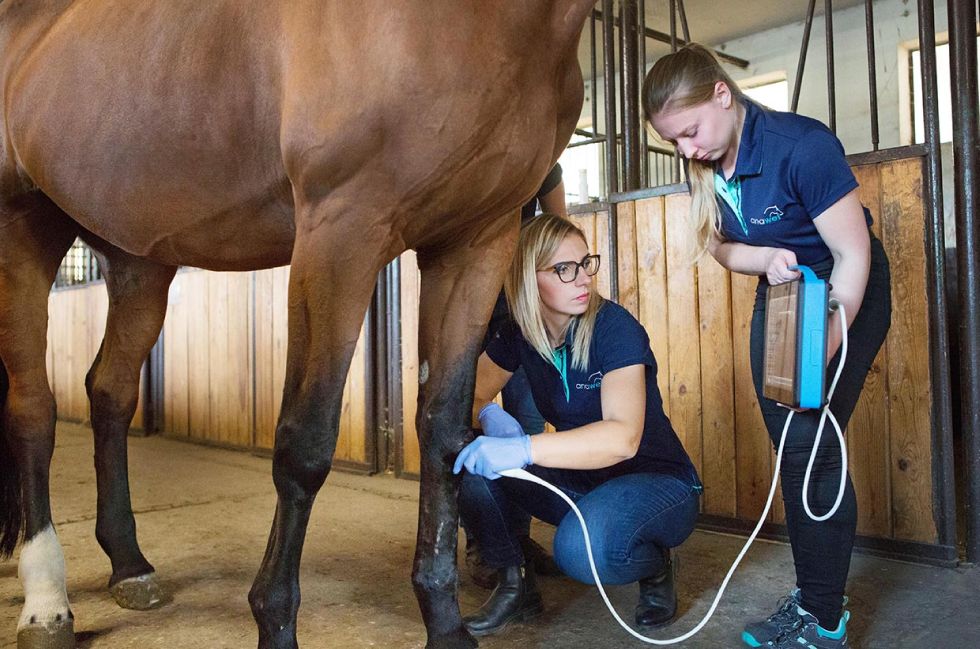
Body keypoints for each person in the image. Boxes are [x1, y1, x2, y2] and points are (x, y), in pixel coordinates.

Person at [643, 44, 891, 649]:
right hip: (782, 296)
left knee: (812, 444)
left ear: (723, 95)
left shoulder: (802, 147)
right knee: (792, 446)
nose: (687, 151)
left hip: (842, 290)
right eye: (673, 141)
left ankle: (824, 616)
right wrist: (762, 257)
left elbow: (853, 255)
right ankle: (812, 598)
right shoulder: (707, 161)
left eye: (691, 132)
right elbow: (721, 245)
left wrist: (833, 331)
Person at [453, 213, 702, 637]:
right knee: (472, 468)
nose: (583, 278)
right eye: (563, 269)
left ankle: (657, 565)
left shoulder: (614, 328)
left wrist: (525, 449)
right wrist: (490, 415)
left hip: (657, 483)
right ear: (528, 280)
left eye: (586, 263)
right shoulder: (521, 333)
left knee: (579, 552)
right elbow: (470, 396)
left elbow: (623, 438)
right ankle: (516, 586)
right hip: (586, 480)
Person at [464, 163, 567, 588]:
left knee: (523, 427)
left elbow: (559, 228)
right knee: (468, 426)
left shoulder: (538, 158)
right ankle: (485, 544)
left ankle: (519, 540)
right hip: (466, 314)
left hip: (520, 317)